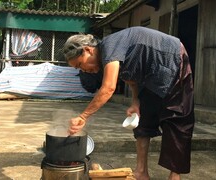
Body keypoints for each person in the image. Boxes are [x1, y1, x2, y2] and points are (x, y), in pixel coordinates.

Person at [62, 26, 194, 180]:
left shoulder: (109, 47)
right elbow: (130, 79)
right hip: (150, 75)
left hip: (173, 58)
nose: (83, 70)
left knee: (176, 118)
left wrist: (83, 117)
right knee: (142, 120)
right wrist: (135, 101)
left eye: (79, 64)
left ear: (88, 50)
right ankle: (141, 172)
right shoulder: (111, 57)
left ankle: (174, 175)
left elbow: (108, 88)